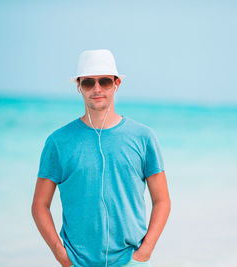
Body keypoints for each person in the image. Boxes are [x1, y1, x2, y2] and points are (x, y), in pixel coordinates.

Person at [31, 49, 171, 267]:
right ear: (79, 86)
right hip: (77, 263)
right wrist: (62, 256)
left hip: (131, 261)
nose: (96, 89)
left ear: (116, 84)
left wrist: (145, 251)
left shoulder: (144, 137)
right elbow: (40, 205)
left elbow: (162, 200)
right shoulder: (58, 142)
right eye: (88, 82)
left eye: (104, 81)